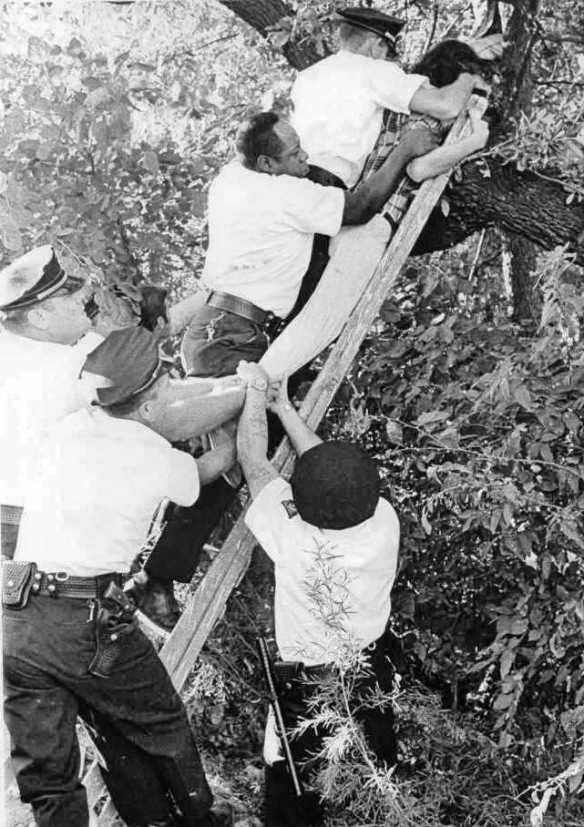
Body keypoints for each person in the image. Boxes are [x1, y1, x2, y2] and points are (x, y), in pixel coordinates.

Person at [3, 326, 243, 827]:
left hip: (18, 617)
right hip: (85, 624)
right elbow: (208, 471)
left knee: (50, 775)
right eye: (167, 386)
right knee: (159, 720)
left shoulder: (67, 428)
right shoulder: (153, 454)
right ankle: (198, 819)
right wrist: (230, 424)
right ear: (151, 405)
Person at [259, 41, 491, 383]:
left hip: (350, 214)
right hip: (372, 224)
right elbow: (417, 169)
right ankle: (256, 383)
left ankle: (264, 385)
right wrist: (473, 142)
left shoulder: (397, 107)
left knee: (310, 313)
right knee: (323, 321)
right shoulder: (430, 116)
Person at [236, 362, 400, 826]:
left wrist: (255, 393)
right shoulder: (383, 519)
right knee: (374, 772)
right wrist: (286, 409)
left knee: (293, 786)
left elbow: (253, 461)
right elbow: (332, 472)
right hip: (370, 664)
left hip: (308, 686)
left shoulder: (296, 539)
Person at [180, 110, 437, 378]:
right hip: (229, 338)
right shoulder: (283, 194)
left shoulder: (230, 176)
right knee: (246, 402)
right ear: (266, 163)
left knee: (256, 400)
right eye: (294, 154)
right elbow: (360, 208)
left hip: (219, 328)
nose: (305, 156)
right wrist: (404, 150)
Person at [291, 6, 488, 189]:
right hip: (328, 182)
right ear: (376, 44)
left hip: (291, 177)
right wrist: (469, 76)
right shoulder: (374, 70)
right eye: (386, 51)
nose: (385, 58)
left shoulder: (307, 75)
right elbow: (446, 106)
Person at [0, 245, 103, 559]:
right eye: (68, 296)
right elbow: (157, 410)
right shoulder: (76, 361)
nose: (80, 300)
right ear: (39, 316)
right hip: (42, 519)